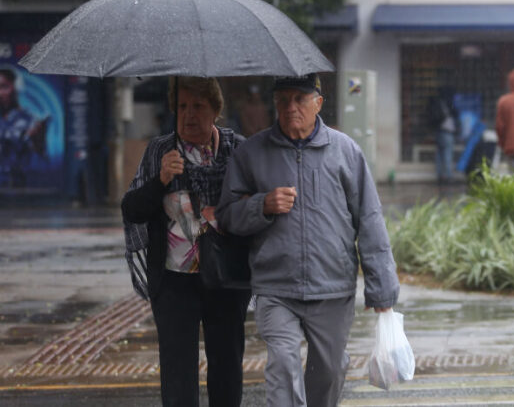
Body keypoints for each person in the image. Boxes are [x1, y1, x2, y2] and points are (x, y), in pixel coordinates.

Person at [216, 73, 400, 407]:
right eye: (283, 100)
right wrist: (262, 205)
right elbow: (227, 215)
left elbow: (369, 219)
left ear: (318, 102)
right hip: (275, 286)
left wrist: (382, 287)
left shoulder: (345, 151)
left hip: (331, 285)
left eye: (299, 100)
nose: (290, 108)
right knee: (283, 363)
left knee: (328, 371)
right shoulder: (252, 153)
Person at [121, 77, 251, 407]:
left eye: (198, 106)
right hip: (174, 283)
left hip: (227, 278)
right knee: (178, 377)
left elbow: (254, 208)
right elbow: (132, 209)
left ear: (216, 109)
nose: (188, 115)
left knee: (226, 370)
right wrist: (160, 180)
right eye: (181, 106)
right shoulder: (160, 151)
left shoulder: (239, 151)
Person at [0, 68, 47, 187]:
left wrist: (38, 143)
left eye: (4, 87)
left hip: (18, 184)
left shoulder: (30, 120)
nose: (0, 93)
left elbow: (42, 161)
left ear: (16, 88)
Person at [428, 86, 458, 184]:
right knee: (447, 154)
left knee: (439, 155)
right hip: (447, 133)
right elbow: (455, 115)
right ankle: (448, 176)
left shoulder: (437, 103)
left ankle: (440, 175)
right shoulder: (448, 104)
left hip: (439, 131)